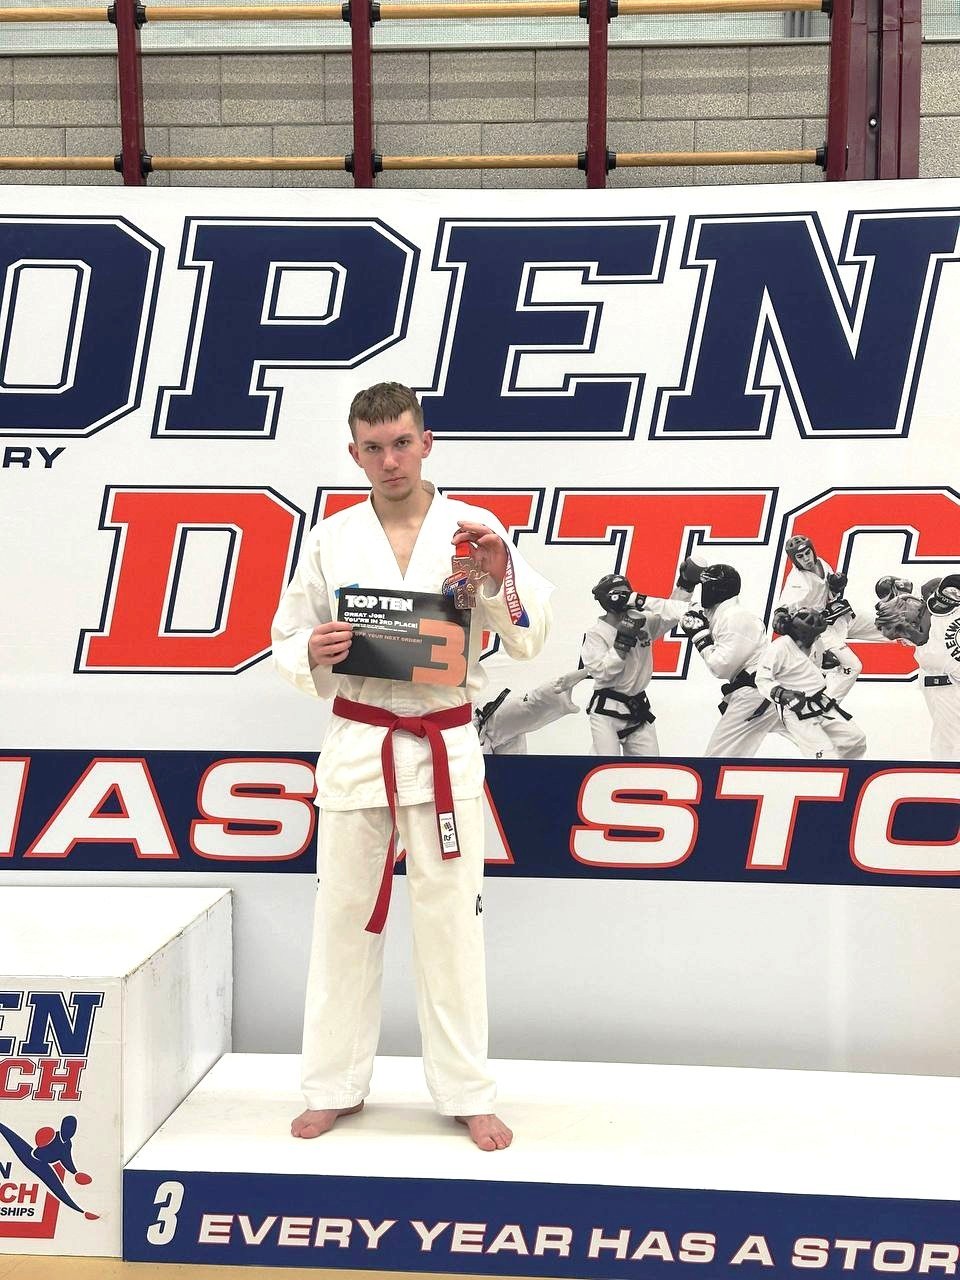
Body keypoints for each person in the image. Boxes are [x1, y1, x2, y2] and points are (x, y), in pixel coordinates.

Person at [271, 383, 552, 1151]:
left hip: (443, 745)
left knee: (451, 926)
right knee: (342, 920)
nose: (390, 460)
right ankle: (332, 1086)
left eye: (401, 443)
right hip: (360, 743)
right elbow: (287, 636)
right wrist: (311, 649)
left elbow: (528, 637)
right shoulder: (332, 539)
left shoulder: (475, 530)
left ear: (426, 442)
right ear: (354, 453)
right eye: (374, 447)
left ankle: (467, 1092)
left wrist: (499, 575)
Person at [580, 566, 695, 756]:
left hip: (638, 710)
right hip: (607, 711)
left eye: (627, 592)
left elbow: (669, 617)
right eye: (620, 594)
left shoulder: (643, 621)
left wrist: (686, 586)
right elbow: (601, 672)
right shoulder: (596, 634)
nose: (625, 597)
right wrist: (622, 643)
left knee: (650, 767)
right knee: (605, 766)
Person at [676, 564, 781, 756]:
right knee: (814, 740)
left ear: (717, 589)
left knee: (717, 759)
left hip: (754, 693)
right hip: (761, 691)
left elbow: (721, 666)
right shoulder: (725, 614)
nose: (704, 590)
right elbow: (679, 611)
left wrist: (700, 637)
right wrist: (684, 587)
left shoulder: (735, 617)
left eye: (706, 586)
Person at [755, 605, 867, 759]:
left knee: (855, 740)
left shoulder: (816, 644)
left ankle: (846, 769)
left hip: (821, 702)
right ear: (806, 634)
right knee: (823, 753)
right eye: (816, 634)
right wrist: (782, 694)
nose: (819, 637)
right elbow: (762, 679)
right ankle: (826, 771)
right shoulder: (778, 648)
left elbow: (815, 664)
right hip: (795, 708)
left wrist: (825, 663)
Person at [776, 534, 877, 702]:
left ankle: (917, 639)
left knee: (882, 625)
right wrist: (780, 615)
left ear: (812, 550)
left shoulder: (821, 563)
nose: (806, 559)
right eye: (800, 556)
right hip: (820, 630)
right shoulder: (797, 582)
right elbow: (784, 608)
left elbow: (830, 595)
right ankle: (826, 705)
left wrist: (836, 587)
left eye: (807, 553)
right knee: (853, 666)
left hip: (836, 616)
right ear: (794, 560)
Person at [874, 575, 960, 760]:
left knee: (947, 743)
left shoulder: (936, 601)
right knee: (952, 743)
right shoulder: (932, 655)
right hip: (943, 686)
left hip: (945, 684)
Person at [475, 670, 589, 754]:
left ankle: (558, 692)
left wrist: (557, 689)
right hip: (476, 749)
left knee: (522, 710)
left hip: (481, 726)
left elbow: (530, 706)